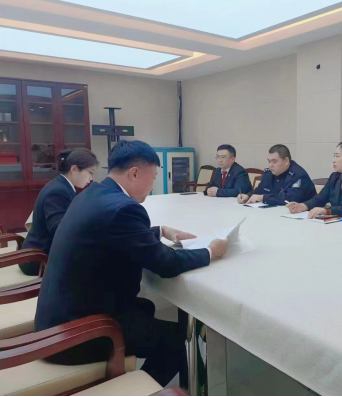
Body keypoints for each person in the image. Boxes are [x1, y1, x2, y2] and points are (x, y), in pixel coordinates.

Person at [35, 140, 229, 387]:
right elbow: (166, 263)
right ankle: (138, 390)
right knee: (178, 339)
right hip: (79, 332)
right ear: (135, 173)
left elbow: (113, 232)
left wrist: (161, 230)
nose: (153, 184)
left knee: (146, 307)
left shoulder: (94, 194)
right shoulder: (124, 208)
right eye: (153, 177)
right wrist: (210, 251)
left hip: (58, 317)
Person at [19, 148, 99, 276]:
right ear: (74, 169)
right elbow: (59, 230)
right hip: (38, 260)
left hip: (42, 253)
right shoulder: (58, 191)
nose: (91, 179)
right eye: (90, 172)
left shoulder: (62, 186)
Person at [287, 141, 342, 219]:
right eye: (334, 156)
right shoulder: (334, 177)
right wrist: (302, 206)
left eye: (337, 156)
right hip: (339, 223)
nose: (334, 160)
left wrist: (328, 211)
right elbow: (320, 199)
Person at [237, 144, 316, 206]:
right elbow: (260, 190)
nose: (270, 165)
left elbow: (290, 199)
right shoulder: (269, 173)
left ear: (286, 161)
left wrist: (263, 198)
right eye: (269, 161)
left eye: (274, 162)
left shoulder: (299, 175)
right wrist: (248, 196)